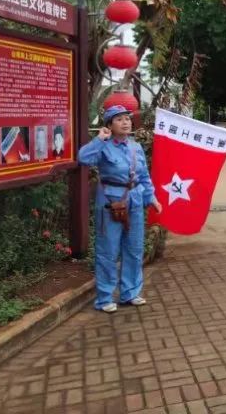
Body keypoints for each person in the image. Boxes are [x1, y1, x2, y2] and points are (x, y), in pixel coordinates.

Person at [78, 105, 162, 313]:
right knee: (108, 251)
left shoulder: (135, 147)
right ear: (109, 125)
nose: (125, 122)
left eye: (127, 119)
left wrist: (151, 197)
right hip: (110, 203)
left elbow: (143, 176)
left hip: (134, 201)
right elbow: (83, 158)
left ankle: (130, 292)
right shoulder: (103, 147)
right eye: (119, 120)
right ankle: (104, 297)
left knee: (134, 249)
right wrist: (99, 140)